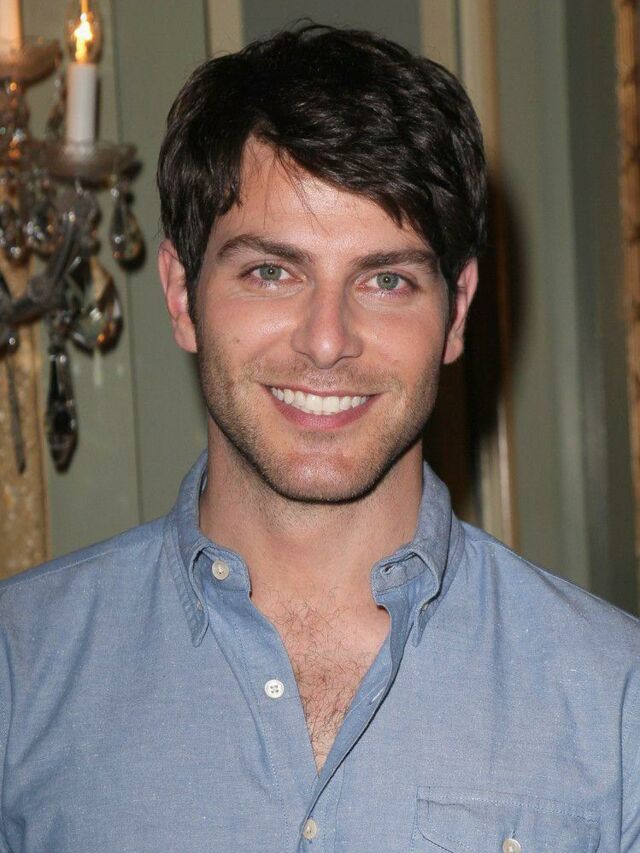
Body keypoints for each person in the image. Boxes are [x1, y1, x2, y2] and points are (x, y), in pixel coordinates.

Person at [1, 23, 638, 853]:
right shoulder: (20, 668)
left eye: (387, 279)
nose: (327, 340)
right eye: (272, 272)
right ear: (182, 295)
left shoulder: (615, 701)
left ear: (457, 312)